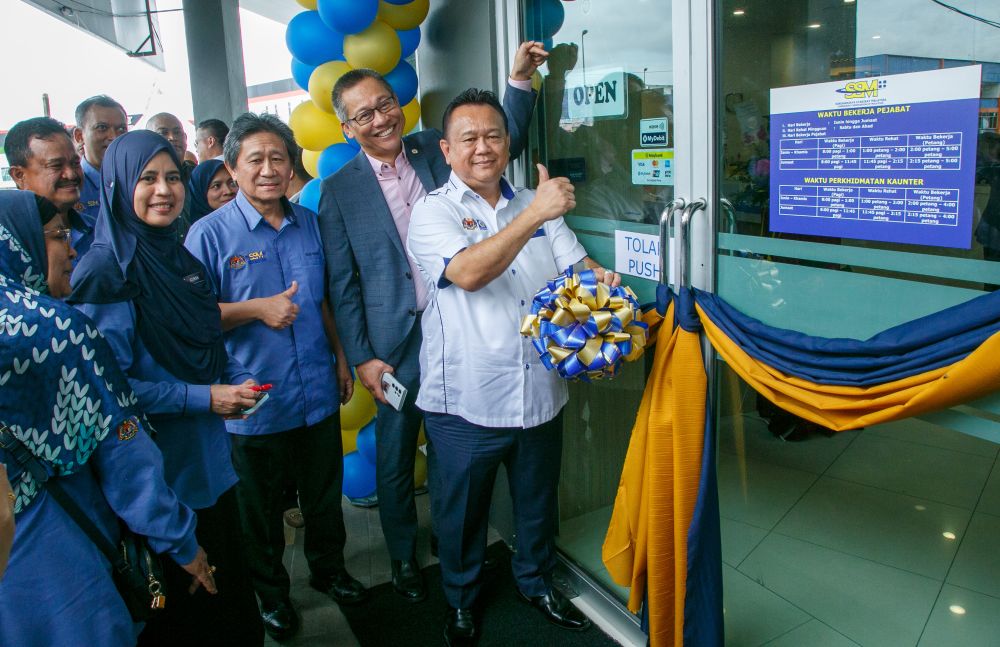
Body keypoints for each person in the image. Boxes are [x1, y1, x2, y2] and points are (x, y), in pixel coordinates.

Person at [317, 41, 547, 604]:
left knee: (455, 445)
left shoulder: (432, 149)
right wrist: (365, 355)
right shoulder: (338, 191)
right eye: (364, 114)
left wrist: (518, 82)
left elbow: (497, 137)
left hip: (462, 327)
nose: (380, 118)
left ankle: (456, 546)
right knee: (394, 456)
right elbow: (343, 284)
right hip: (395, 345)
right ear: (348, 128)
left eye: (385, 104)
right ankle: (402, 558)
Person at [408, 88, 618, 644]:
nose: (483, 148)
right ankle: (460, 597)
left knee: (536, 504)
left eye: (494, 136)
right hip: (467, 399)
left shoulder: (532, 199)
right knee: (461, 515)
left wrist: (606, 286)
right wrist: (536, 215)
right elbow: (470, 272)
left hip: (541, 389)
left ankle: (535, 579)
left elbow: (578, 265)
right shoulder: (433, 211)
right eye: (469, 138)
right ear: (447, 151)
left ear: (508, 144)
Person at [67, 131, 264, 647]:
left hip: (211, 468)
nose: (164, 190)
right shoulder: (104, 272)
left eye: (173, 177)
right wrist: (205, 398)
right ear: (115, 187)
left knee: (233, 612)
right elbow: (110, 392)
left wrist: (232, 386)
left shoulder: (181, 260)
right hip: (157, 488)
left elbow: (203, 348)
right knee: (187, 621)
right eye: (147, 178)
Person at [0, 190, 217, 646]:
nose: (72, 247)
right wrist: (182, 544)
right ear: (18, 244)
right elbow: (125, 456)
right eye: (59, 236)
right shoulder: (53, 331)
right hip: (57, 559)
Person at [185, 112, 360, 642]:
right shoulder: (208, 235)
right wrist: (256, 309)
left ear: (292, 167)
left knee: (324, 497)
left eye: (277, 158)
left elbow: (323, 297)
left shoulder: (309, 223)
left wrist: (340, 356)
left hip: (316, 389)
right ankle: (272, 596)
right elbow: (192, 319)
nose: (268, 169)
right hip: (253, 399)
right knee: (259, 513)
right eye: (254, 159)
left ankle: (330, 571)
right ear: (232, 168)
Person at [5, 117, 91, 260]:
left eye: (75, 163)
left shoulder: (103, 231)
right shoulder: (10, 248)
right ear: (19, 176)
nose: (71, 174)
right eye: (56, 165)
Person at [73, 95, 128, 255]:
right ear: (79, 136)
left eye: (121, 129)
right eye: (102, 128)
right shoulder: (71, 187)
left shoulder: (137, 182)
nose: (113, 137)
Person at [146, 112, 197, 241]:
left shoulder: (199, 176)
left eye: (177, 132)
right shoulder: (139, 181)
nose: (172, 137)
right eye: (163, 133)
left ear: (185, 138)